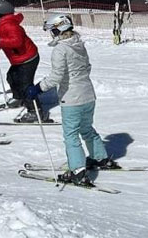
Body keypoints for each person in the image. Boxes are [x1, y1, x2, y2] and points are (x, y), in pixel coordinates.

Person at [26, 14, 115, 186]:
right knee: (86, 128)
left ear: (59, 29)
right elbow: (87, 67)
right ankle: (100, 158)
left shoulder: (60, 49)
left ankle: (78, 172)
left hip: (72, 99)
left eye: (52, 30)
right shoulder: (79, 44)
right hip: (88, 95)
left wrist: (38, 88)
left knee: (71, 135)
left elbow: (56, 77)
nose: (51, 34)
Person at [0, 0, 43, 122]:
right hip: (18, 60)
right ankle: (20, 98)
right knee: (11, 77)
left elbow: (17, 41)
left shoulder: (10, 25)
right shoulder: (0, 25)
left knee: (25, 85)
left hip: (27, 59)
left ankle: (35, 111)